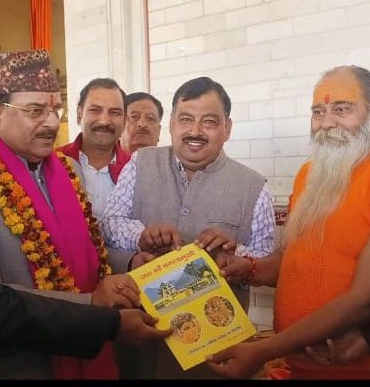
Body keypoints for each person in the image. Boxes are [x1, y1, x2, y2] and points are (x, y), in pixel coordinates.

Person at [0, 56, 170, 378]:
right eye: (35, 110)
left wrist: (130, 262)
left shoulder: (67, 169)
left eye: (55, 110)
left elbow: (84, 249)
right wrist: (92, 304)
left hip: (89, 348)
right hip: (17, 361)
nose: (52, 123)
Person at [205, 65, 370, 379]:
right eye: (318, 112)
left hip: (360, 371)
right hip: (298, 366)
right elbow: (297, 262)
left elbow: (368, 298)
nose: (326, 123)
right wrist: (251, 268)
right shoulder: (310, 174)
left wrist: (263, 351)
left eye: (341, 109)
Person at [102, 76, 276, 379]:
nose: (195, 131)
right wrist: (141, 237)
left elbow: (266, 262)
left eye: (209, 122)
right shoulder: (141, 163)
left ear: (227, 128)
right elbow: (110, 224)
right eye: (186, 119)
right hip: (138, 348)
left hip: (213, 358)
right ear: (171, 124)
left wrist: (234, 256)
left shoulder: (254, 186)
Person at [58, 78, 131, 221]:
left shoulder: (135, 169)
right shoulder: (54, 162)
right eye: (95, 110)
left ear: (124, 120)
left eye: (115, 113)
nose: (104, 121)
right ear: (79, 114)